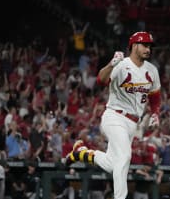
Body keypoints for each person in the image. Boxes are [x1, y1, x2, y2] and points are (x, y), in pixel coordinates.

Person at [65, 31, 161, 199]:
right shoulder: (122, 65)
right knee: (125, 157)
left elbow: (155, 97)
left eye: (150, 46)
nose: (148, 49)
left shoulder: (152, 70)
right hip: (115, 117)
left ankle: (81, 152)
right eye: (145, 45)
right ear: (134, 46)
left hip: (132, 124)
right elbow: (100, 81)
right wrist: (111, 65)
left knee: (112, 165)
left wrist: (155, 113)